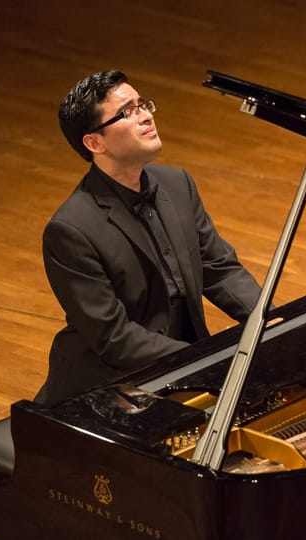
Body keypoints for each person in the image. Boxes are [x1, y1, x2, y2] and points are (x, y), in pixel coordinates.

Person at [35, 70, 264, 405]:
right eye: (127, 112)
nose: (145, 116)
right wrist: (206, 361)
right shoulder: (71, 230)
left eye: (142, 104)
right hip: (112, 386)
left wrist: (266, 318)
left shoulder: (177, 184)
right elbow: (116, 338)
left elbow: (219, 268)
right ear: (94, 142)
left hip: (184, 364)